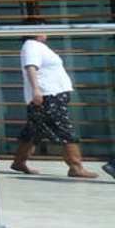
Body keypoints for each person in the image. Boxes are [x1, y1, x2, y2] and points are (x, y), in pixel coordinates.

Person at [10, 31, 97, 179]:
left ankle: (19, 162)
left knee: (33, 130)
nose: (47, 33)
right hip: (48, 95)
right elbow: (31, 67)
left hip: (50, 94)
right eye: (44, 30)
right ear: (36, 32)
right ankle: (75, 166)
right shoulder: (32, 46)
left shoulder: (37, 46)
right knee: (64, 129)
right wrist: (36, 90)